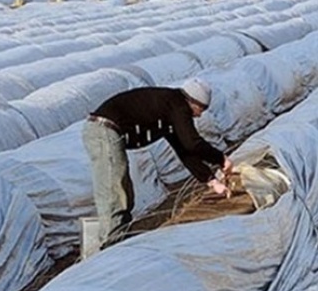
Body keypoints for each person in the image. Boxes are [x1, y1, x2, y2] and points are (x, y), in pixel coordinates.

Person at [82, 78, 232, 248]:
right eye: (201, 109)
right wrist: (221, 159)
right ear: (193, 102)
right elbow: (192, 142)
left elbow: (183, 148)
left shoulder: (169, 107)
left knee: (123, 190)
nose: (199, 115)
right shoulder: (178, 104)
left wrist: (211, 180)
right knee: (114, 189)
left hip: (107, 132)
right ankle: (111, 245)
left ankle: (118, 239)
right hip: (104, 131)